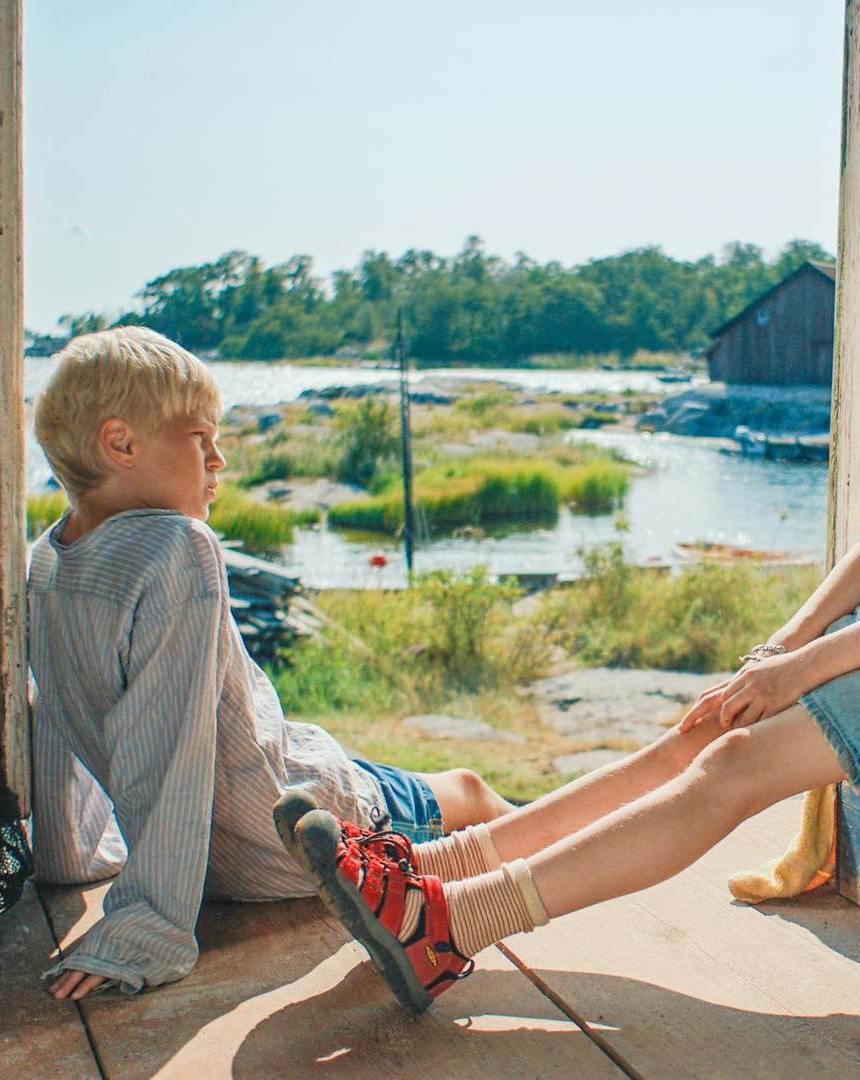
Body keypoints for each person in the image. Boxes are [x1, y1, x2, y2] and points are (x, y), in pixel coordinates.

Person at [277, 102, 860, 1012]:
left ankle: (449, 926)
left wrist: (811, 663)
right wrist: (778, 649)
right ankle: (431, 867)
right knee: (705, 730)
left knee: (730, 771)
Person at [27, 326, 515, 1000]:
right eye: (201, 438)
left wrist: (65, 855)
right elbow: (169, 742)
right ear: (122, 444)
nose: (219, 459)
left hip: (216, 858)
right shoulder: (177, 548)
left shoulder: (48, 563)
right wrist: (144, 927)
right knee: (473, 791)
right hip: (301, 831)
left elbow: (52, 717)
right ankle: (605, 868)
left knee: (444, 788)